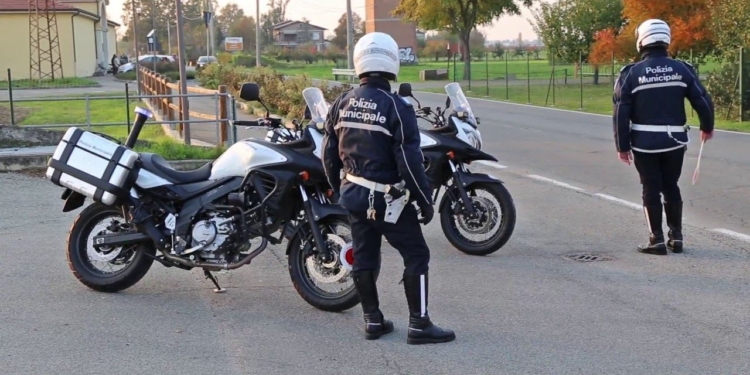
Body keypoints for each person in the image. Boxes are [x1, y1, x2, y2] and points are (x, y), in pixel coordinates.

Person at [321, 31, 455, 345]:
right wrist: (424, 201)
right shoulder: (397, 107)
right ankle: (419, 324)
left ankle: (373, 320)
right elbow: (409, 162)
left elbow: (328, 155)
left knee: (365, 257)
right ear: (392, 60)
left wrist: (336, 189)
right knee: (417, 255)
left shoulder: (341, 102)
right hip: (387, 200)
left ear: (359, 62)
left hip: (353, 195)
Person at [613, 19, 714, 255]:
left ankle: (656, 240)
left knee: (650, 188)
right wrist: (707, 126)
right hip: (675, 142)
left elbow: (621, 112)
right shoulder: (682, 68)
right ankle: (676, 237)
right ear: (666, 39)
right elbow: (702, 100)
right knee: (671, 185)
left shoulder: (631, 74)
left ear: (641, 40)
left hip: (644, 143)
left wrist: (622, 146)